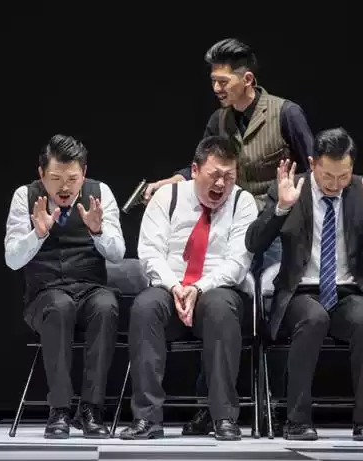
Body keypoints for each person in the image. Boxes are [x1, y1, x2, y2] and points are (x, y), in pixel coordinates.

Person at [142, 38, 314, 436]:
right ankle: (210, 407)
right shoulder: (219, 120)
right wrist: (175, 179)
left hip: (274, 229)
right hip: (228, 223)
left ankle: (274, 408)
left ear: (247, 79)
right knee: (218, 307)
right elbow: (204, 162)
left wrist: (283, 204)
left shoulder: (285, 113)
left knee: (268, 314)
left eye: (223, 81)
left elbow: (312, 170)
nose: (216, 88)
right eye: (213, 81)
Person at [245, 127, 363, 441]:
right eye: (327, 175)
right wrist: (282, 208)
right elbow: (254, 243)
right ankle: (297, 421)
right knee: (313, 318)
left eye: (343, 176)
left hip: (348, 291)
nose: (335, 184)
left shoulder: (362, 190)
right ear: (312, 163)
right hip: (299, 292)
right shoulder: (290, 188)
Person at [120, 135, 258, 441]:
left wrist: (199, 287)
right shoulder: (167, 197)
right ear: (194, 170)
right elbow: (150, 253)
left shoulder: (243, 202)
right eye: (214, 175)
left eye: (229, 177)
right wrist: (175, 286)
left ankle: (223, 416)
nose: (221, 184)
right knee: (145, 307)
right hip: (170, 286)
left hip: (215, 288)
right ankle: (147, 418)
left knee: (222, 308)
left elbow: (238, 262)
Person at [4, 134, 126, 439]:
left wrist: (98, 231)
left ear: (84, 173)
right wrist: (37, 234)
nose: (64, 187)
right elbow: (12, 260)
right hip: (44, 295)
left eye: (72, 179)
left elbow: (117, 254)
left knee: (106, 306)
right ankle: (59, 409)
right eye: (55, 178)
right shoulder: (25, 196)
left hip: (90, 288)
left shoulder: (100, 193)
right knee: (59, 306)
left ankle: (91, 410)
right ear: (41, 173)